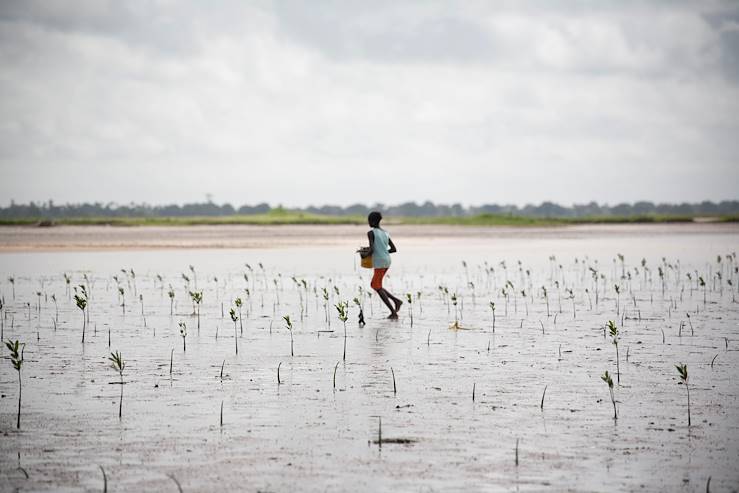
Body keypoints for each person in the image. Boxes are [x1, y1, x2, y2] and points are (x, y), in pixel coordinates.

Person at [362, 211, 402, 319]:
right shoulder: (385, 233)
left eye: (369, 221)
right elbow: (393, 249)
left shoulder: (371, 233)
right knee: (376, 285)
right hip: (387, 261)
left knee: (376, 285)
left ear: (373, 221)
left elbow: (371, 250)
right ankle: (396, 301)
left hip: (379, 262)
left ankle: (394, 311)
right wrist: (383, 252)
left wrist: (363, 254)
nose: (368, 223)